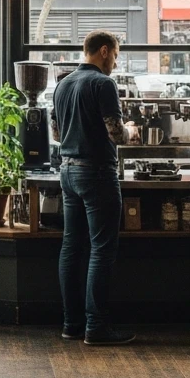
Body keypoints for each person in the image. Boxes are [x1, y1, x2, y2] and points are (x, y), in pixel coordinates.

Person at [50, 31, 138, 346]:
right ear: (103, 51)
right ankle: (96, 327)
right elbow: (115, 134)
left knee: (71, 247)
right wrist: (130, 130)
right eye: (115, 55)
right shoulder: (103, 84)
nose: (115, 62)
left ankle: (71, 324)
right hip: (97, 173)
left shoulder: (62, 84)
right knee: (101, 250)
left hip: (68, 172)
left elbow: (57, 133)